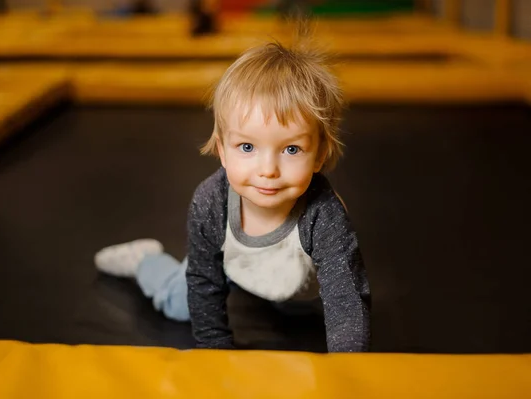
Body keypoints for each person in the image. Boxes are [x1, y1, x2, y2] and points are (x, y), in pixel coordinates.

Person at [95, 39, 371, 352]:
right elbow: (204, 283)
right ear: (222, 150)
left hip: (291, 282)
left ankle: (272, 295)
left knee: (301, 312)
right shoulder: (211, 202)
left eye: (291, 149)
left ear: (320, 155)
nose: (268, 169)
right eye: (247, 147)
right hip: (232, 265)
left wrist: (349, 373)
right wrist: (217, 356)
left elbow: (346, 299)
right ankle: (144, 260)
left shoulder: (324, 214)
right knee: (178, 304)